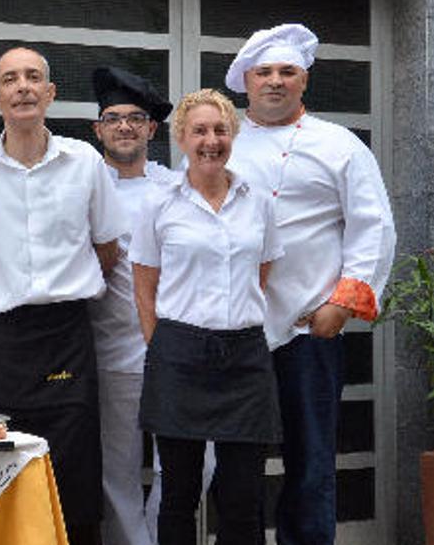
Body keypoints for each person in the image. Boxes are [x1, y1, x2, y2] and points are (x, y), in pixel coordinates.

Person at [0, 47, 126, 545]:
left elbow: (107, 248)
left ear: (51, 93)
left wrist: (53, 290)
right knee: (0, 464)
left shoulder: (85, 163)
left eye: (34, 77)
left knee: (74, 472)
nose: (23, 87)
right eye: (11, 80)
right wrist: (3, 292)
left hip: (66, 336)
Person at [223, 24, 396, 545]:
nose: (275, 82)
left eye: (286, 72)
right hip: (237, 328)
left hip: (307, 328)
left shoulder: (339, 144)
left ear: (303, 81)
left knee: (312, 457)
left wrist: (341, 305)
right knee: (238, 463)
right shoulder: (220, 142)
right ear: (247, 82)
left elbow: (374, 226)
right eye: (264, 73)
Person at [129, 89, 282, 545]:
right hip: (179, 355)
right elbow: (144, 287)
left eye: (220, 130)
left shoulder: (258, 202)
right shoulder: (159, 203)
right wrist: (163, 347)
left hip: (245, 358)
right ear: (181, 138)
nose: (210, 140)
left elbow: (262, 273)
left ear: (233, 134)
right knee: (179, 493)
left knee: (242, 496)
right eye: (199, 130)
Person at [88, 65, 177, 545]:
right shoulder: (82, 183)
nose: (125, 126)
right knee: (115, 467)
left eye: (135, 118)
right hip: (110, 348)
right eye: (114, 117)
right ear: (98, 129)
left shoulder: (174, 187)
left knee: (191, 462)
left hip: (177, 349)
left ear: (152, 129)